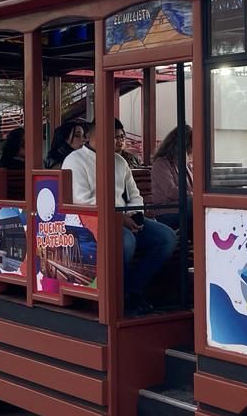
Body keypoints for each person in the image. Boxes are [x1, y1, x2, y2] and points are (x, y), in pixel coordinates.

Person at [63, 118, 176, 315]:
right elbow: (81, 200)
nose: (117, 141)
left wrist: (134, 215)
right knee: (126, 242)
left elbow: (134, 195)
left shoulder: (120, 161)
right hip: (91, 221)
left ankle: (133, 289)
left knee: (166, 237)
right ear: (91, 136)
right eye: (112, 136)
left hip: (123, 217)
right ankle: (118, 296)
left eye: (120, 136)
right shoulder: (75, 160)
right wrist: (119, 217)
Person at [150, 125, 192, 230]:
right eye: (191, 146)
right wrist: (192, 194)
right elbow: (171, 191)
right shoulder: (161, 164)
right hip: (167, 210)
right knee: (195, 205)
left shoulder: (185, 164)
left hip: (184, 206)